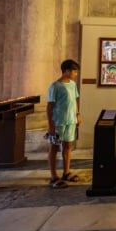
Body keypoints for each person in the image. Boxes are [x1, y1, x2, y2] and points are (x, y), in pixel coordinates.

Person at [46, 59, 82, 189]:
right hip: (58, 121)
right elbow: (50, 106)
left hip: (71, 120)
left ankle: (66, 172)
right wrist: (51, 124)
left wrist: (77, 115)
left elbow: (75, 100)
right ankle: (53, 176)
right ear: (66, 71)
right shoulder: (55, 86)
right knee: (54, 148)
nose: (75, 74)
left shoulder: (72, 85)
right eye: (74, 71)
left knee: (67, 146)